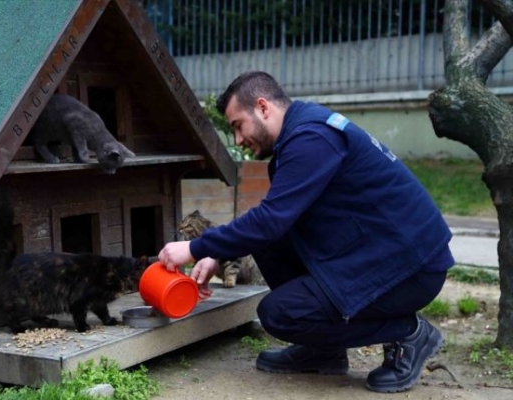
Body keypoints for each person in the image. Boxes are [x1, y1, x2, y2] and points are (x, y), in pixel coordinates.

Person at [158, 71, 454, 393]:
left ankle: (408, 332)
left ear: (262, 107)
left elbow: (271, 219)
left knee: (280, 315)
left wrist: (196, 247)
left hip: (411, 268)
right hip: (380, 251)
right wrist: (219, 251)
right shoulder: (303, 133)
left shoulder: (312, 138)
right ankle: (323, 351)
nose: (238, 140)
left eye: (237, 125)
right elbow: (275, 222)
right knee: (271, 244)